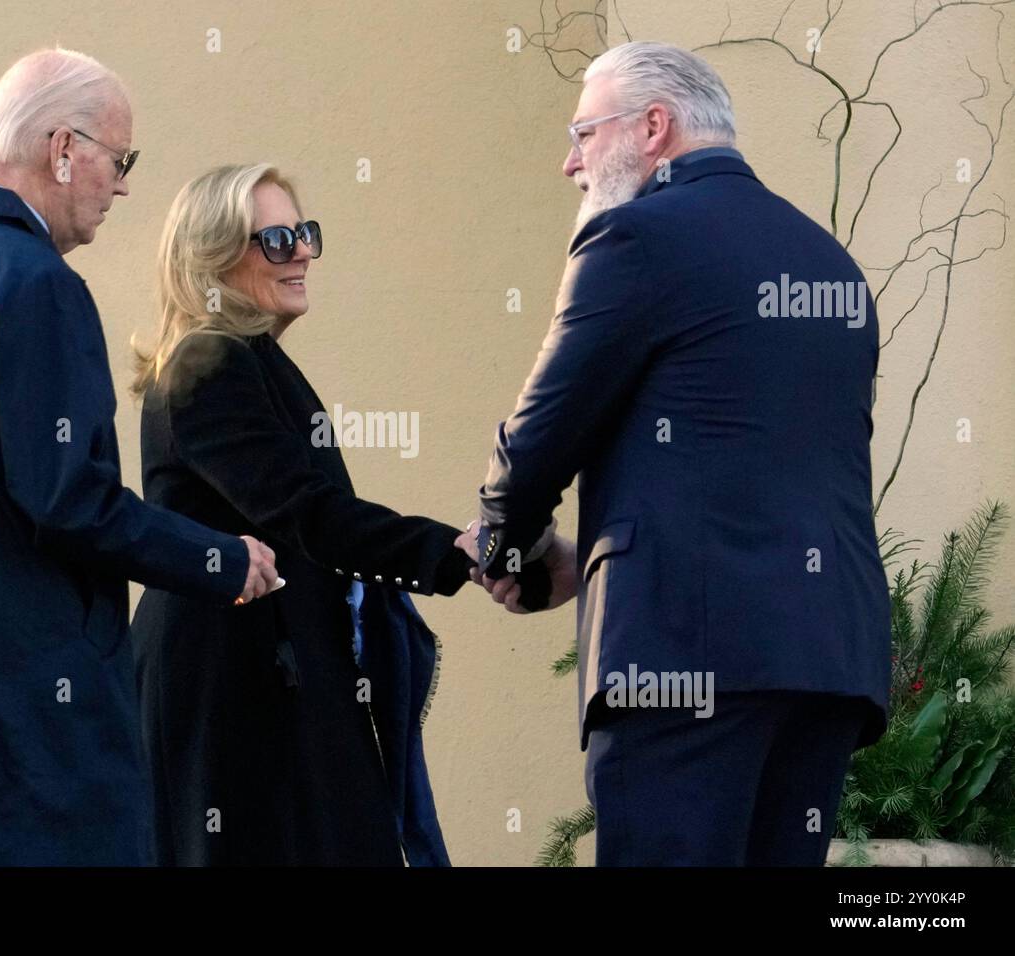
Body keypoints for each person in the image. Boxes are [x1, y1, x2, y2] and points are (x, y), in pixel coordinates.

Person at [0, 49, 278, 866]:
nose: (124, 184)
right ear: (63, 149)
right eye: (120, 158)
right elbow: (68, 501)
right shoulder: (35, 284)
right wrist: (221, 558)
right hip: (27, 748)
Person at [464, 41, 892, 866]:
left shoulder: (635, 237)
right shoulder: (831, 264)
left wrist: (505, 549)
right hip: (827, 665)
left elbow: (541, 434)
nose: (570, 164)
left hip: (684, 660)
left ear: (653, 127)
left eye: (583, 135)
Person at [128, 163, 472, 865]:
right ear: (214, 259)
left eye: (305, 233)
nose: (304, 252)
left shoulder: (246, 357)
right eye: (278, 239)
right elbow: (309, 516)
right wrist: (458, 552)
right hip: (236, 692)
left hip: (272, 677)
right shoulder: (209, 364)